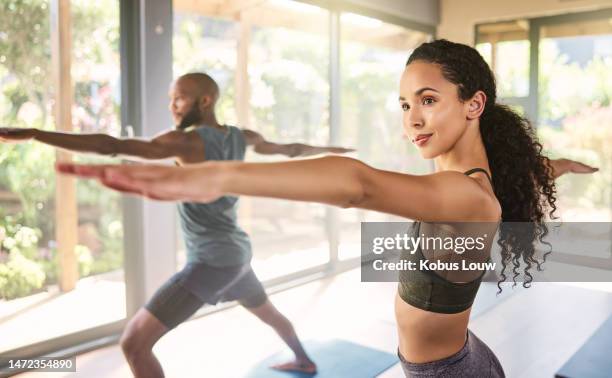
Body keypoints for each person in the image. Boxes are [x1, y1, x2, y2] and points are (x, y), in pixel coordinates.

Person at [54, 40, 599, 377]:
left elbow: (356, 184)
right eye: (405, 104)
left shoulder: (466, 197)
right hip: (460, 357)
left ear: (474, 104)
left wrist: (215, 174)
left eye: (429, 100)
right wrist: (555, 165)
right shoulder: (474, 181)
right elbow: (523, 171)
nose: (411, 119)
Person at [0, 72, 355, 377]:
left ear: (205, 100)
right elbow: (288, 149)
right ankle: (305, 362)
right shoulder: (241, 136)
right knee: (271, 315)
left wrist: (35, 133)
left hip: (212, 260)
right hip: (236, 253)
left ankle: (304, 360)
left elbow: (111, 145)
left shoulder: (186, 141)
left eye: (180, 99)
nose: (173, 106)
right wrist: (329, 149)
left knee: (134, 343)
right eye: (171, 98)